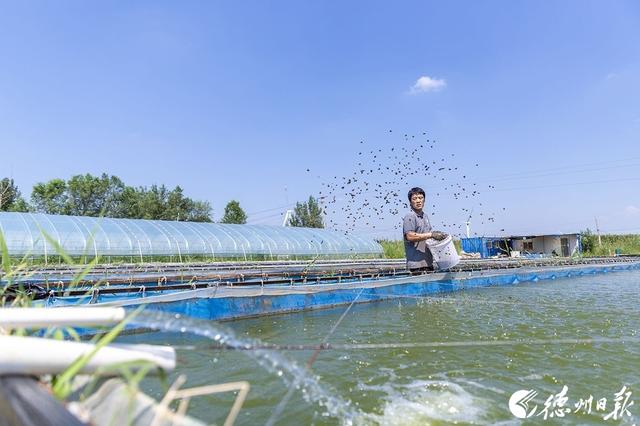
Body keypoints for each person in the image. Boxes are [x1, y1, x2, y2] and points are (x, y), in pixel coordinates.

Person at [403, 187, 447, 274]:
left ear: (424, 200)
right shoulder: (410, 216)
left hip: (427, 262)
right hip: (416, 265)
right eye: (414, 199)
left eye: (421, 198)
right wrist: (431, 234)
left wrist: (439, 238)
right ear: (410, 202)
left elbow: (429, 237)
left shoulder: (425, 216)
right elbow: (409, 236)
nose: (418, 201)